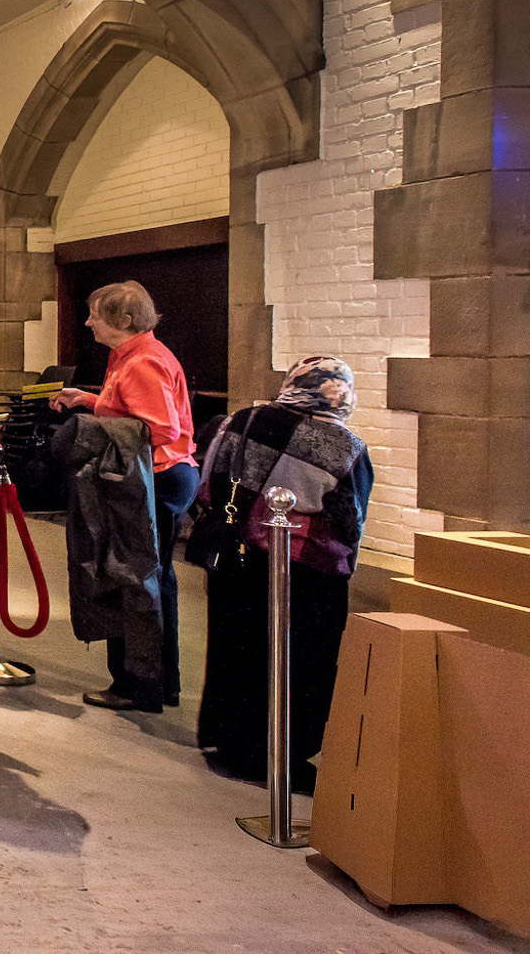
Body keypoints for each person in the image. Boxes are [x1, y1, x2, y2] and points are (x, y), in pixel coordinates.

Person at [195, 356, 372, 793]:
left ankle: (226, 739)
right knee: (301, 664)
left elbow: (207, 482)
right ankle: (279, 755)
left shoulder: (242, 420)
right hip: (305, 573)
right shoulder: (345, 447)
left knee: (234, 646)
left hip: (236, 559)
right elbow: (349, 521)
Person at [51, 280, 197, 713]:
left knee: (137, 581)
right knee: (151, 580)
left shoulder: (143, 362)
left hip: (157, 478)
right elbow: (135, 413)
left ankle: (141, 685)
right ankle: (157, 681)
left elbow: (160, 428)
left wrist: (93, 423)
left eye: (96, 314)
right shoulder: (132, 356)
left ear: (125, 320)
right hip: (157, 477)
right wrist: (91, 401)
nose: (88, 321)